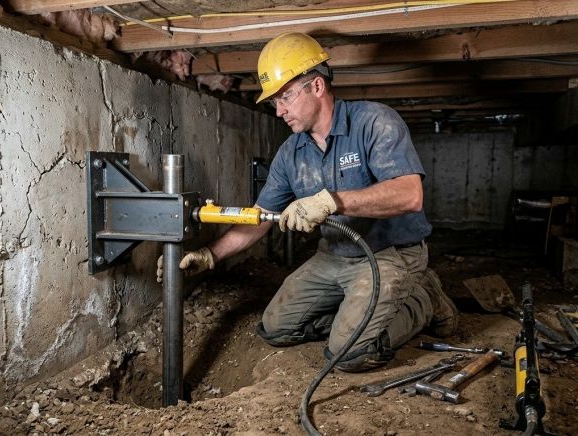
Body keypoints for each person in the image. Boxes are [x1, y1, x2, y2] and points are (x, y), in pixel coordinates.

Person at [157, 32, 458, 372]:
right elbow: (261, 217)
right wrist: (211, 254)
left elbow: (409, 193)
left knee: (349, 355)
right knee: (275, 329)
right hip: (334, 256)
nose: (280, 110)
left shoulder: (374, 121)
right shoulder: (291, 153)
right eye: (275, 102)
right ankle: (357, 316)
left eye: (285, 97)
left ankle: (425, 299)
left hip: (391, 254)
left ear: (317, 86)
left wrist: (332, 201)